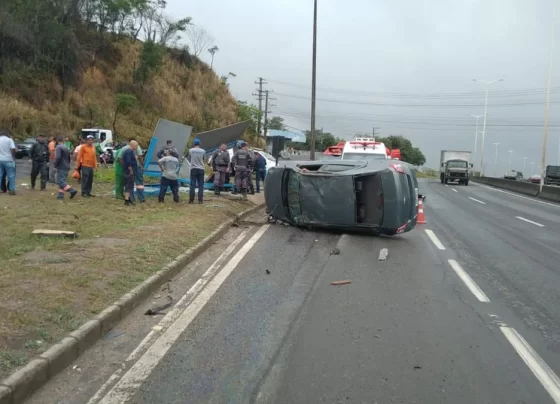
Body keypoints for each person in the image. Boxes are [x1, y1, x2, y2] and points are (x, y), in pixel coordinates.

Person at [187, 138, 206, 204]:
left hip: (193, 169)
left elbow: (189, 158)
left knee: (193, 184)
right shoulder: (203, 151)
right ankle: (200, 200)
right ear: (199, 144)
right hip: (201, 169)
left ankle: (191, 200)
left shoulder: (190, 150)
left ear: (194, 144)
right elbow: (203, 159)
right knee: (201, 185)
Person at [121, 140, 139, 206]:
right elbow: (128, 161)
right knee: (128, 185)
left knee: (129, 186)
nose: (137, 147)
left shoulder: (129, 152)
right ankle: (126, 201)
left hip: (127, 171)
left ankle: (128, 199)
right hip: (129, 172)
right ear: (132, 145)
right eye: (136, 145)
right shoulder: (129, 151)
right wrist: (131, 170)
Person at [0, 129, 16, 195]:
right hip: (8, 159)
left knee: (0, 175)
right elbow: (13, 148)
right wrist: (13, 157)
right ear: (7, 134)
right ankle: (11, 190)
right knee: (11, 175)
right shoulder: (9, 140)